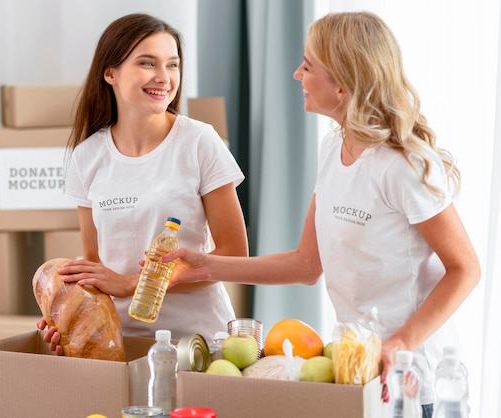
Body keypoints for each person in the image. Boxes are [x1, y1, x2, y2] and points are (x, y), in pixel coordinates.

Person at [162, 11, 479, 418]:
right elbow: (307, 264)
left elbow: (465, 268)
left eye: (308, 66)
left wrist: (402, 342)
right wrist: (204, 265)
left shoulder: (404, 165)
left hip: (414, 379)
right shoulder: (334, 147)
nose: (297, 74)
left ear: (343, 84)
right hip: (357, 368)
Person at [37, 13, 248, 351]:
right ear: (111, 73)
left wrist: (132, 283)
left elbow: (234, 255)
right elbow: (95, 266)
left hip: (196, 343)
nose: (164, 78)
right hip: (118, 341)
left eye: (173, 65)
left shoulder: (198, 142)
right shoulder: (87, 156)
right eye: (148, 63)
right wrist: (68, 312)